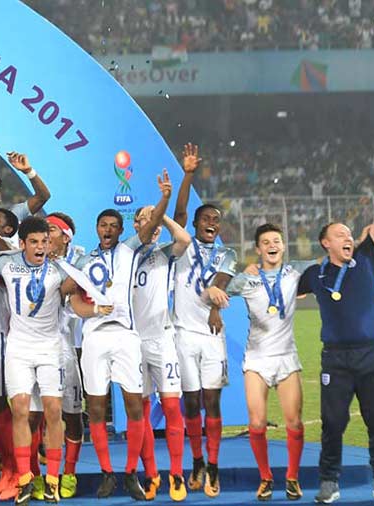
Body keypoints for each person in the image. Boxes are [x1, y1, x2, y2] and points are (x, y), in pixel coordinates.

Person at [300, 164, 374, 505]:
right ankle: (329, 481)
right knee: (332, 423)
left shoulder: (367, 257)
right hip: (336, 360)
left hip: (372, 355)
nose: (348, 237)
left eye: (349, 233)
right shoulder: (315, 274)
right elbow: (285, 286)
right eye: (340, 234)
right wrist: (257, 269)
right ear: (325, 242)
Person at [0, 217, 83, 504]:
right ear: (22, 244)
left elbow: (76, 290)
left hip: (50, 348)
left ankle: (52, 478)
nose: (41, 246)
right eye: (34, 242)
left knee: (53, 411)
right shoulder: (6, 262)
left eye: (44, 240)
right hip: (18, 348)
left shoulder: (58, 269)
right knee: (20, 411)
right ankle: (27, 478)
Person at [217, 223, 311, 501]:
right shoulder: (247, 279)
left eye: (277, 241)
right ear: (258, 249)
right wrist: (220, 286)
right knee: (256, 423)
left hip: (286, 358)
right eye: (266, 242)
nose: (272, 245)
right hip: (256, 360)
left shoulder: (296, 271)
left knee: (294, 422)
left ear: (283, 246)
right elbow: (219, 288)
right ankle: (266, 478)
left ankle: (292, 478)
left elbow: (326, 264)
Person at [172, 143, 238, 498]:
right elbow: (179, 211)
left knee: (212, 401)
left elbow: (222, 282)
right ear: (196, 223)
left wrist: (215, 305)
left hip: (213, 335)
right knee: (192, 401)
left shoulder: (228, 253)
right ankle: (196, 460)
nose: (212, 223)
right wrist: (188, 174)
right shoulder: (183, 245)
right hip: (184, 333)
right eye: (206, 219)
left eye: (216, 220)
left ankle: (213, 465)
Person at [125, 170, 192, 502]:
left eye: (151, 219)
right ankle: (151, 473)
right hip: (131, 343)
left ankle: (177, 473)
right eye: (142, 219)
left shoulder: (164, 253)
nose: (148, 222)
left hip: (162, 340)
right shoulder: (123, 256)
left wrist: (161, 213)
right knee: (139, 409)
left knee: (171, 406)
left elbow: (186, 240)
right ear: (134, 226)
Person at [74, 209, 148, 501]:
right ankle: (107, 473)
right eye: (103, 225)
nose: (108, 230)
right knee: (95, 407)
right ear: (96, 228)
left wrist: (166, 197)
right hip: (93, 336)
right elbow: (73, 300)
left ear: (121, 230)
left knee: (134, 405)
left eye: (113, 226)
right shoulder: (82, 260)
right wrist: (92, 309)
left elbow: (151, 225)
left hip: (125, 334)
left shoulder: (129, 250)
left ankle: (131, 473)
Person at [45, 212, 87, 500]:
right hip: (35, 345)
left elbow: (64, 290)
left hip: (66, 346)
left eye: (51, 230)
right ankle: (43, 474)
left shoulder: (81, 260)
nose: (45, 236)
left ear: (66, 236)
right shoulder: (33, 258)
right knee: (38, 415)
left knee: (72, 414)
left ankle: (69, 472)